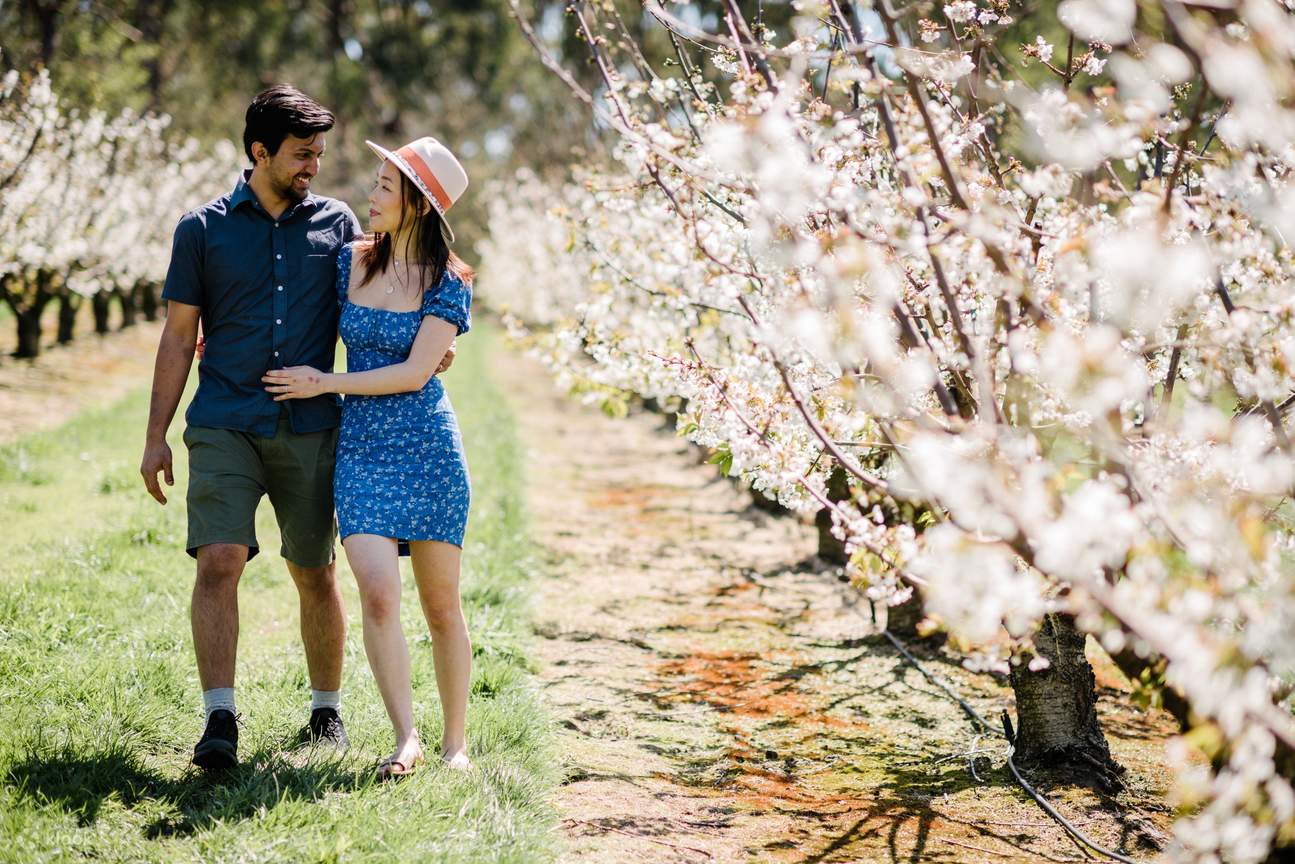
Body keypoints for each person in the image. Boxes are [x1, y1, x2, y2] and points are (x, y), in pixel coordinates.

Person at [139, 85, 453, 773]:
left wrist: (434, 340)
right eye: (301, 154)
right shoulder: (202, 230)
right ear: (260, 152)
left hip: (312, 427)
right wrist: (156, 433)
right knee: (219, 559)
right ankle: (219, 715)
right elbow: (177, 335)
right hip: (224, 419)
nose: (314, 166)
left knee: (314, 571)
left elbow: (394, 285)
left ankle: (324, 710)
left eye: (318, 153)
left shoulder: (338, 227)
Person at [262, 135, 475, 778]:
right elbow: (293, 309)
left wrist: (325, 383)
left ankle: (456, 744)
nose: (373, 194)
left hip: (428, 448)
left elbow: (415, 373)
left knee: (442, 606)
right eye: (378, 181)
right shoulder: (349, 261)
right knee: (378, 596)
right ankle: (405, 736)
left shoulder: (449, 281)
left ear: (417, 204)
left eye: (386, 186)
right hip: (362, 451)